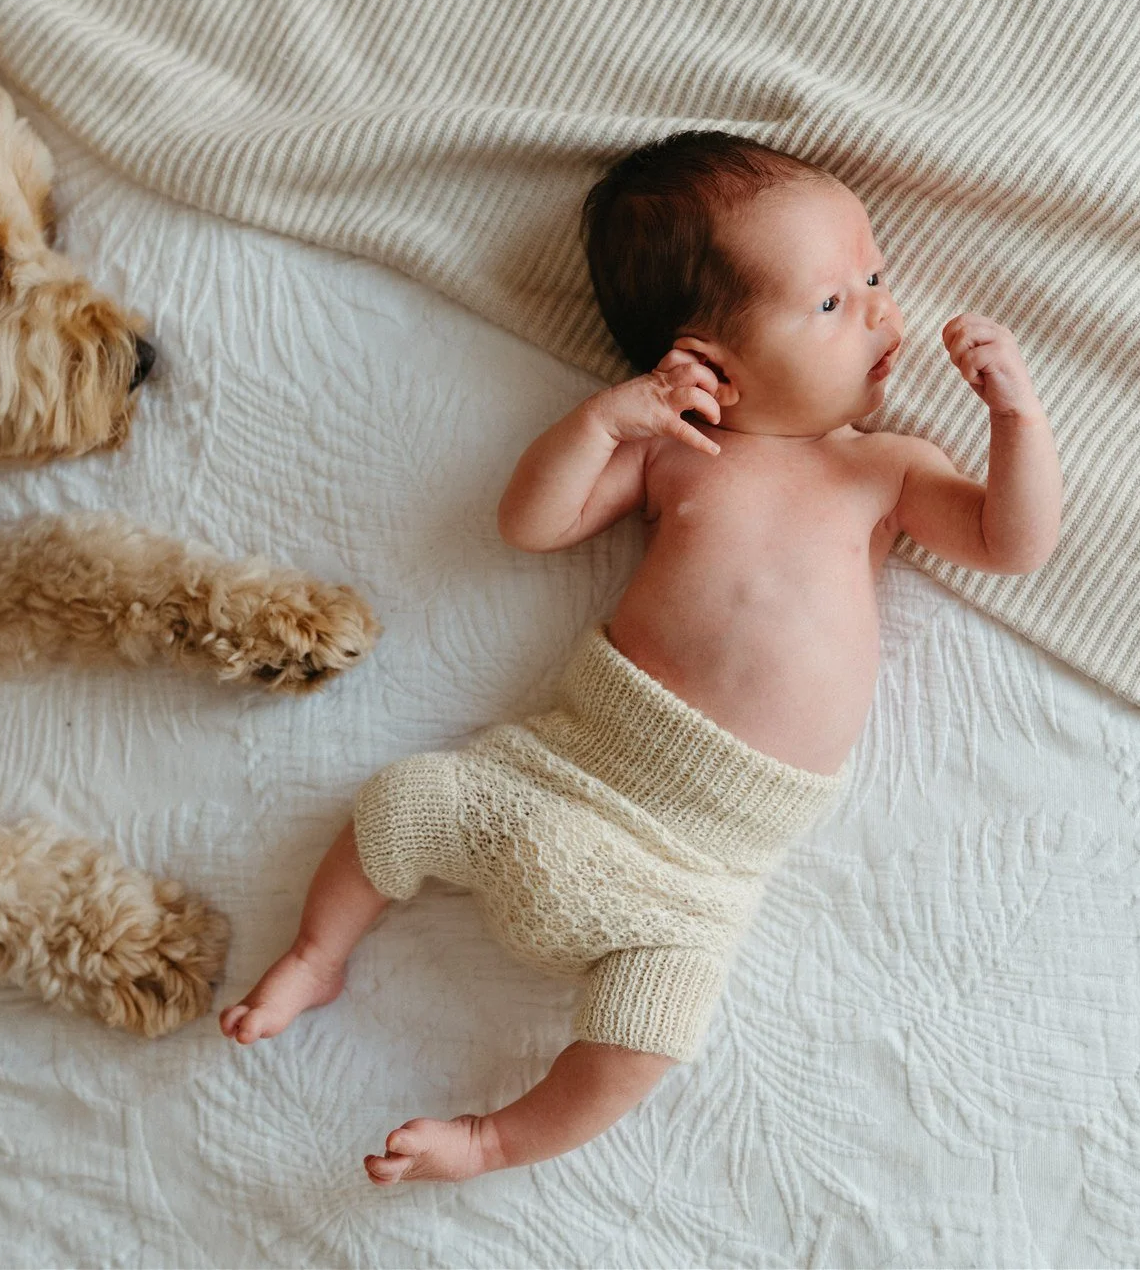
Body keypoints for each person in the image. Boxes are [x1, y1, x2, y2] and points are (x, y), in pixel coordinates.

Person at [220, 131, 1063, 1183]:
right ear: (712, 362)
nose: (881, 312)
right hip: (567, 768)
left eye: (876, 277)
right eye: (831, 302)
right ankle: (316, 953)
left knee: (652, 1029)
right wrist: (602, 422)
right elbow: (533, 523)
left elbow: (1007, 542)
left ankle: (494, 1137)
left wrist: (1016, 419)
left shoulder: (883, 471)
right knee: (404, 803)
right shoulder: (679, 451)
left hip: (702, 863)